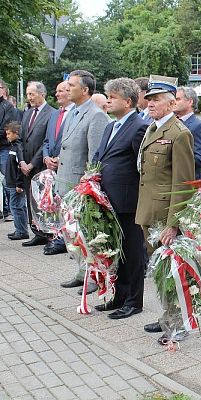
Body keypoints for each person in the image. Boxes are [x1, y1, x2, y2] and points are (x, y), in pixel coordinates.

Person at [136, 75, 195, 341]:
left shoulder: (179, 133)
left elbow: (183, 183)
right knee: (160, 270)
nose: (150, 104)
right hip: (149, 210)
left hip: (165, 216)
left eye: (156, 100)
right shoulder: (152, 129)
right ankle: (166, 317)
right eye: (148, 99)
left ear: (172, 104)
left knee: (172, 271)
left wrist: (174, 223)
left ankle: (178, 324)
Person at [92, 78, 148, 319]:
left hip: (129, 201)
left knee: (132, 253)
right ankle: (120, 295)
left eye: (112, 97)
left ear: (128, 101)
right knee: (118, 252)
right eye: (107, 96)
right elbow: (100, 157)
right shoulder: (109, 126)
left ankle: (134, 301)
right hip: (108, 200)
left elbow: (142, 168)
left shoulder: (138, 127)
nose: (107, 101)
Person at [57, 70, 110, 294]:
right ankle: (81, 272)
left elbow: (94, 158)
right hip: (66, 182)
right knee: (73, 234)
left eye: (71, 85)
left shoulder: (95, 115)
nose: (67, 89)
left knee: (86, 234)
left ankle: (93, 276)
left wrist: (88, 187)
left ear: (85, 89)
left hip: (80, 187)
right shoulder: (73, 113)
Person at [19, 81, 55, 247]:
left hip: (39, 165)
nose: (29, 98)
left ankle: (47, 232)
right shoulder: (27, 113)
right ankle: (36, 231)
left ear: (42, 94)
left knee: (42, 199)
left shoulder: (51, 114)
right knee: (29, 199)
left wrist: (32, 164)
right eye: (27, 94)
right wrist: (22, 161)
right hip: (25, 165)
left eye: (32, 94)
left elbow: (46, 142)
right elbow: (20, 140)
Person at [42, 80, 74, 256]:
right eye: (56, 91)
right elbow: (47, 141)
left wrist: (60, 159)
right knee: (54, 206)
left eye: (61, 91)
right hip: (51, 168)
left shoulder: (75, 114)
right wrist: (46, 157)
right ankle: (56, 237)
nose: (57, 94)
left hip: (67, 168)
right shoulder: (54, 115)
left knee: (67, 206)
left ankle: (65, 240)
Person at [173, 86, 201, 179]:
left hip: (187, 182)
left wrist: (173, 158)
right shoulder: (172, 123)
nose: (173, 102)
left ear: (190, 102)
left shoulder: (199, 126)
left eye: (177, 99)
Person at [0, 79, 22, 221]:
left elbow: (7, 129)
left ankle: (14, 212)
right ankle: (5, 210)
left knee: (9, 180)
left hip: (5, 148)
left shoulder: (8, 107)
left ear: (4, 90)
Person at [4, 121, 28, 240]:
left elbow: (20, 167)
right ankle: (20, 229)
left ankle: (21, 231)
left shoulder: (18, 147)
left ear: (16, 133)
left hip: (15, 184)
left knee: (16, 207)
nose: (7, 136)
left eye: (9, 134)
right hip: (11, 182)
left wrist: (19, 184)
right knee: (17, 206)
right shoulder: (13, 146)